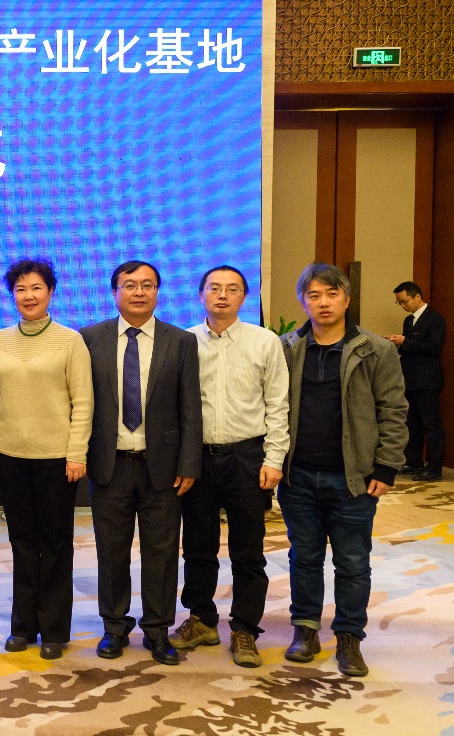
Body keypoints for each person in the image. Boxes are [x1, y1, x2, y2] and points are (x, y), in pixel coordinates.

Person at [278, 262, 407, 677]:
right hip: (298, 476)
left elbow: (393, 411)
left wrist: (386, 467)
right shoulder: (286, 348)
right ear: (303, 301)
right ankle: (305, 629)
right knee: (304, 557)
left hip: (354, 478)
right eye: (314, 295)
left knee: (352, 562)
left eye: (332, 294)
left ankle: (350, 636)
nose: (323, 302)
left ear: (346, 299)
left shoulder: (376, 349)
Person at [80, 260, 201, 666]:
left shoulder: (180, 341)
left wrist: (189, 463)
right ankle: (114, 627)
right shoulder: (89, 338)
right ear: (115, 292)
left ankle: (157, 630)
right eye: (129, 285)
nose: (139, 292)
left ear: (158, 292)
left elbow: (190, 407)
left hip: (162, 466)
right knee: (111, 551)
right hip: (109, 463)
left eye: (147, 285)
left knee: (162, 552)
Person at [172, 266, 289, 667]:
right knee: (197, 547)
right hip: (198, 459)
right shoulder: (184, 342)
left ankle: (245, 628)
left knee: (248, 549)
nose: (222, 295)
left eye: (232, 289)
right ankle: (202, 619)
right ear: (200, 294)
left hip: (247, 458)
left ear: (244, 296)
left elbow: (277, 405)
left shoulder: (264, 342)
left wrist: (274, 459)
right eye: (214, 288)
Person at [0, 258, 92, 659]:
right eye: (21, 289)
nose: (28, 296)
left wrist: (77, 453)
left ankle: (54, 630)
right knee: (22, 542)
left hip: (57, 459)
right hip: (11, 456)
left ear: (50, 292)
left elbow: (83, 402)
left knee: (55, 544)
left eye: (36, 288)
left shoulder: (70, 340)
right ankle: (23, 627)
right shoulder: (0, 339)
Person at [387, 281, 445, 481]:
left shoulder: (434, 319)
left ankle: (435, 468)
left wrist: (406, 341)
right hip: (410, 379)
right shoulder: (409, 320)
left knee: (431, 425)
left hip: (428, 381)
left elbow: (434, 347)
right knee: (412, 423)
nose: (403, 306)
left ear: (417, 296)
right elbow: (411, 347)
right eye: (399, 303)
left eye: (404, 301)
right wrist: (396, 343)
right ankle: (414, 462)